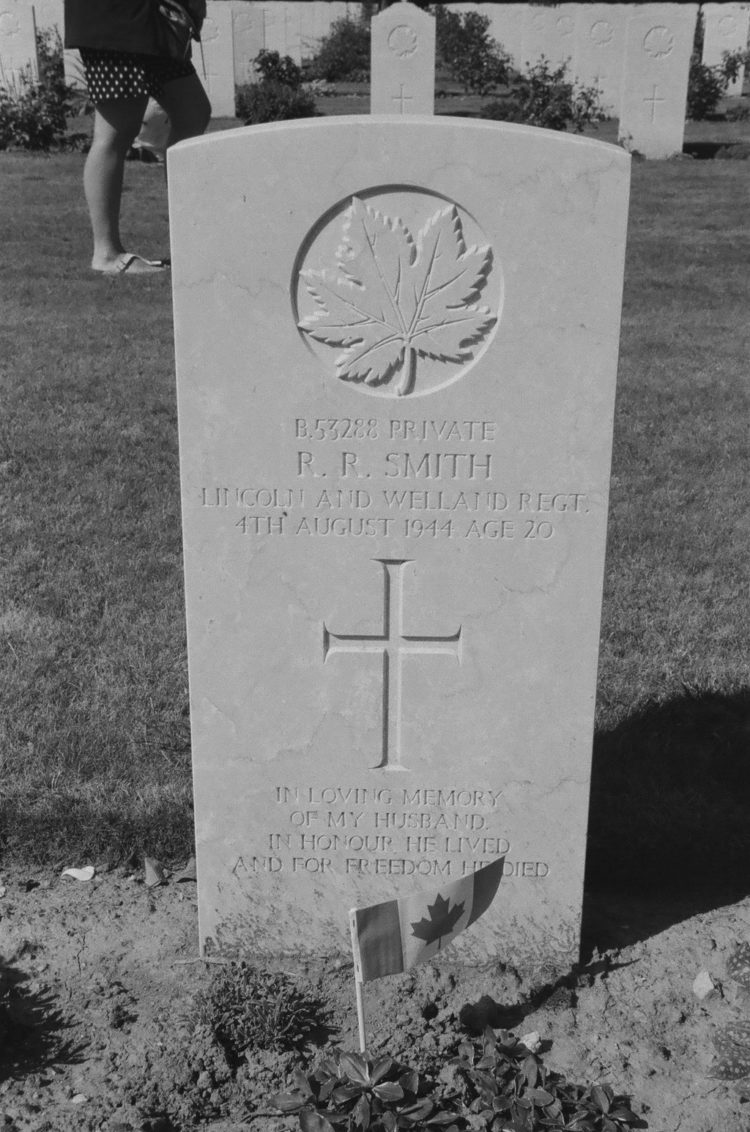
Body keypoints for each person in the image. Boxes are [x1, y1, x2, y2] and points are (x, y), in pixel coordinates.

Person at [64, 0, 211, 275]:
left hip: (151, 20)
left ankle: (186, 238)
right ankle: (105, 253)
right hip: (115, 21)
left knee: (192, 111)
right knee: (117, 129)